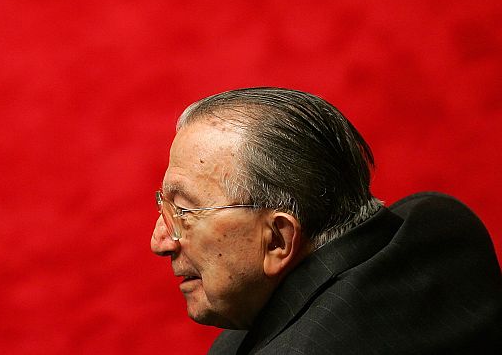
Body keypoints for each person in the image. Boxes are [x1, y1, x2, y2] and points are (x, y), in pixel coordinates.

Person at [151, 87, 501, 354]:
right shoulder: (440, 231)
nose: (160, 241)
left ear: (277, 239)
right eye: (163, 206)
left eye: (184, 212)